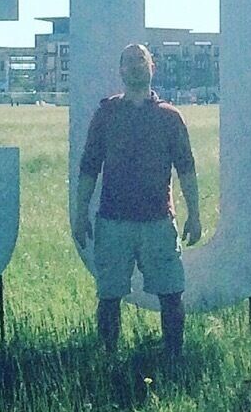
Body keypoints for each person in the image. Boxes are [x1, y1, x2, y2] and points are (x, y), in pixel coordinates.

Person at [71, 43, 201, 355]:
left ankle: (174, 359)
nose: (135, 65)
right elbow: (89, 167)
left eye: (141, 60)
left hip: (158, 221)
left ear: (152, 67)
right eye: (128, 61)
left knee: (172, 294)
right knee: (109, 296)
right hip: (113, 222)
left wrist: (194, 214)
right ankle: (108, 359)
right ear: (120, 70)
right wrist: (79, 213)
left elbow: (186, 168)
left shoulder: (170, 117)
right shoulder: (107, 114)